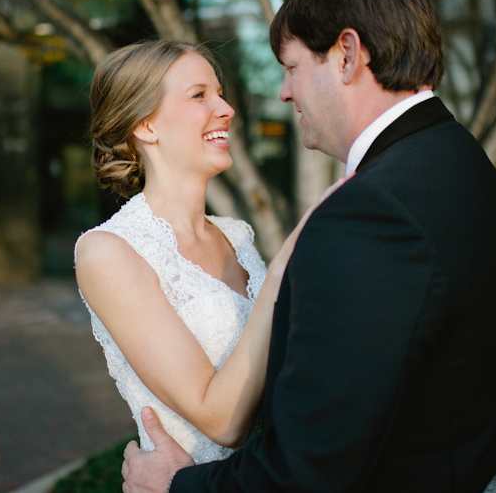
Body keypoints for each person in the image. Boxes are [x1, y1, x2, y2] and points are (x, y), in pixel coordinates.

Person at [122, 0, 496, 492]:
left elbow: (306, 471)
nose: (284, 93)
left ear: (346, 54)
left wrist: (176, 487)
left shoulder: (374, 212)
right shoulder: (462, 166)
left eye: (291, 67)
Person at [75, 40, 342, 465]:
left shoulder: (237, 237)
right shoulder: (108, 252)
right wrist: (282, 272)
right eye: (200, 95)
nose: (226, 109)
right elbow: (222, 422)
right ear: (145, 125)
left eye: (220, 93)